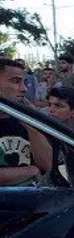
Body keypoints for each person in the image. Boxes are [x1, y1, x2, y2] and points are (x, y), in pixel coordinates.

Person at [0, 58, 52, 186]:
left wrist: (30, 122)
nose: (24, 89)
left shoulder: (25, 120)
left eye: (23, 82)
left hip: (30, 200)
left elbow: (46, 166)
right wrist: (31, 171)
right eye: (15, 81)